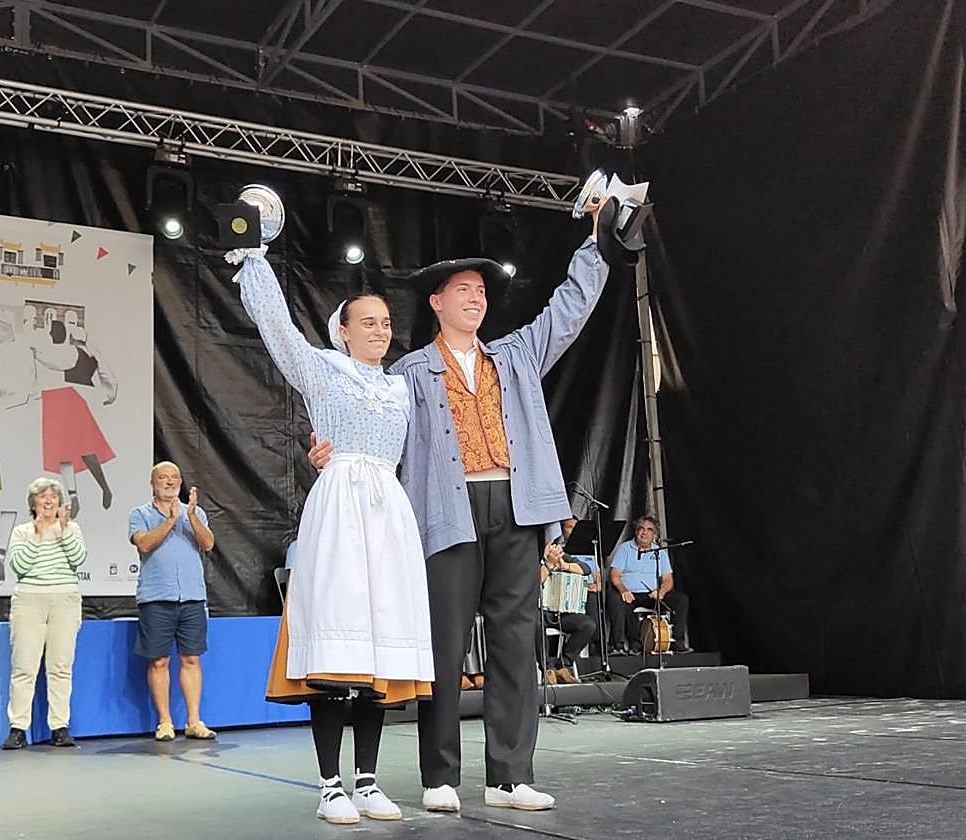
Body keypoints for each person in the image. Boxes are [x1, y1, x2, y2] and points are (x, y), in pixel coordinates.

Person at [310, 195, 609, 812]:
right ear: (437, 303)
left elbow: (570, 308)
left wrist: (597, 240)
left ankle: (509, 776)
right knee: (444, 644)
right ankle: (440, 774)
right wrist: (333, 454)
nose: (476, 299)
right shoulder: (410, 373)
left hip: (516, 504)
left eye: (481, 291)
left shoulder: (516, 354)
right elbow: (370, 422)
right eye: (463, 291)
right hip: (447, 510)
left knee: (515, 641)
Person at [229, 246, 434, 826]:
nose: (380, 330)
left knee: (377, 652)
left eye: (386, 322)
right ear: (342, 331)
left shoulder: (402, 389)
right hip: (342, 503)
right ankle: (330, 786)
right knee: (337, 652)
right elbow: (278, 332)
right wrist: (255, 260)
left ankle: (367, 780)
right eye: (367, 322)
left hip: (388, 511)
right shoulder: (323, 370)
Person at [129, 462, 217, 742]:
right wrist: (169, 520)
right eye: (163, 477)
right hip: (156, 597)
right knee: (159, 661)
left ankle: (194, 721)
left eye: (175, 477)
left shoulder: (195, 513)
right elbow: (144, 544)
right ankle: (165, 722)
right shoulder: (140, 514)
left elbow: (208, 543)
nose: (170, 482)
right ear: (152, 483)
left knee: (191, 658)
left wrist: (189, 516)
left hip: (192, 596)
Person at [1, 477, 87, 750]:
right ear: (33, 504)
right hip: (29, 600)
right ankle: (18, 729)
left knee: (60, 667)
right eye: (43, 496)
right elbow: (19, 565)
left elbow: (78, 558)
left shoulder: (71, 528)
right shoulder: (22, 531)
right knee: (24, 667)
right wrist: (38, 534)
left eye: (53, 496)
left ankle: (59, 727)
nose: (48, 501)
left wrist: (64, 530)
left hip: (65, 600)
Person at [607, 515, 692, 653]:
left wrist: (661, 592)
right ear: (636, 531)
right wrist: (623, 590)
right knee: (615, 600)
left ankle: (677, 642)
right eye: (641, 529)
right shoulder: (624, 548)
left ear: (654, 534)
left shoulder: (660, 552)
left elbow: (668, 580)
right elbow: (615, 576)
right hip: (630, 594)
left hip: (652, 594)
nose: (644, 532)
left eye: (649, 530)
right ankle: (622, 645)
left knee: (681, 600)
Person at [539, 518, 599, 685]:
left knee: (588, 625)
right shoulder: (530, 557)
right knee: (535, 625)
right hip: (538, 611)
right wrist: (548, 565)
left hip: (559, 612)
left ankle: (563, 665)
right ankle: (547, 667)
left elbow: (585, 569)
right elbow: (534, 582)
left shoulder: (560, 554)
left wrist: (564, 565)